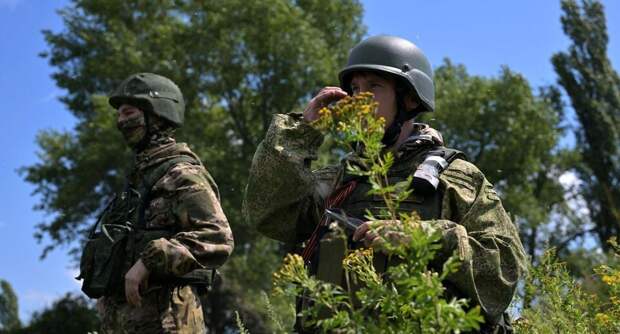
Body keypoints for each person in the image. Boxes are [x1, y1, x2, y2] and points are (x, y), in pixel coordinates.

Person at [244, 35, 527, 333]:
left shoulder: (455, 179)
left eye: (373, 87)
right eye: (354, 88)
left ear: (409, 99)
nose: (358, 99)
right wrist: (301, 132)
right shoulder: (340, 181)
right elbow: (268, 214)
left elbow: (504, 270)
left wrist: (424, 237)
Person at [78, 73, 234, 333]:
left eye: (128, 113)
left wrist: (147, 262)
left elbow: (218, 237)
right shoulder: (138, 181)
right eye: (119, 115)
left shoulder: (182, 173)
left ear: (158, 113)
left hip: (168, 320)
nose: (121, 121)